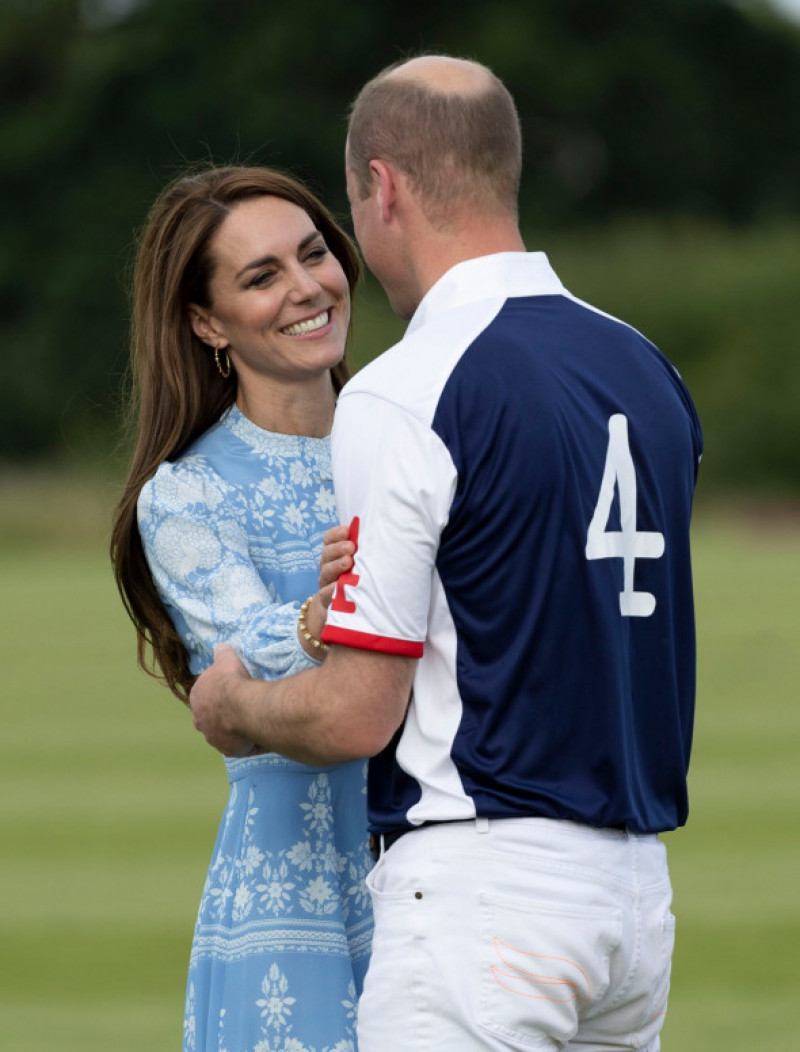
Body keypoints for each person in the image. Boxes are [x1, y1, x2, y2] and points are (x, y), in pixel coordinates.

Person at [189, 57, 703, 1052]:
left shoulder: (403, 387)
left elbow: (355, 707)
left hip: (484, 901)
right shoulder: (646, 366)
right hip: (635, 904)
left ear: (381, 187)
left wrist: (234, 706)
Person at [109, 165, 374, 1052]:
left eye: (313, 255)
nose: (306, 287)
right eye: (262, 276)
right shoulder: (186, 494)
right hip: (284, 896)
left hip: (443, 871)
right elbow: (240, 655)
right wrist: (324, 612)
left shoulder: (419, 436)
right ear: (206, 320)